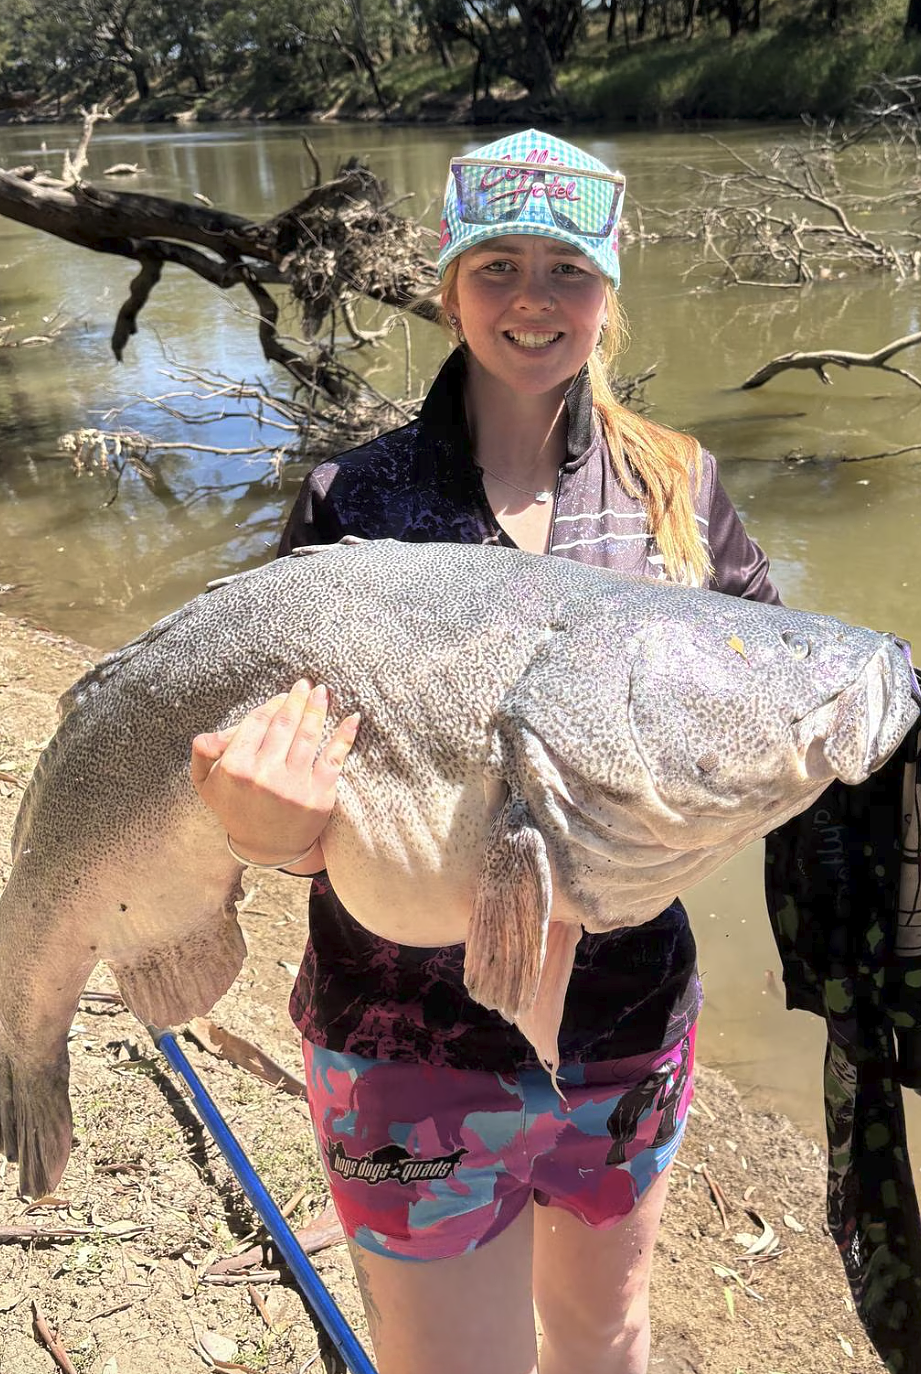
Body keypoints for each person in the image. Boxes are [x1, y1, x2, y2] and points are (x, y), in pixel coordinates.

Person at [191, 129, 780, 1374]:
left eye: (567, 268)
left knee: (606, 1335)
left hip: (627, 1023)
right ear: (450, 287)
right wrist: (268, 831)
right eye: (497, 265)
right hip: (403, 1046)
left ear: (607, 293)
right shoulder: (351, 500)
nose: (531, 298)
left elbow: (771, 700)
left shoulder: (680, 488)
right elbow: (295, 780)